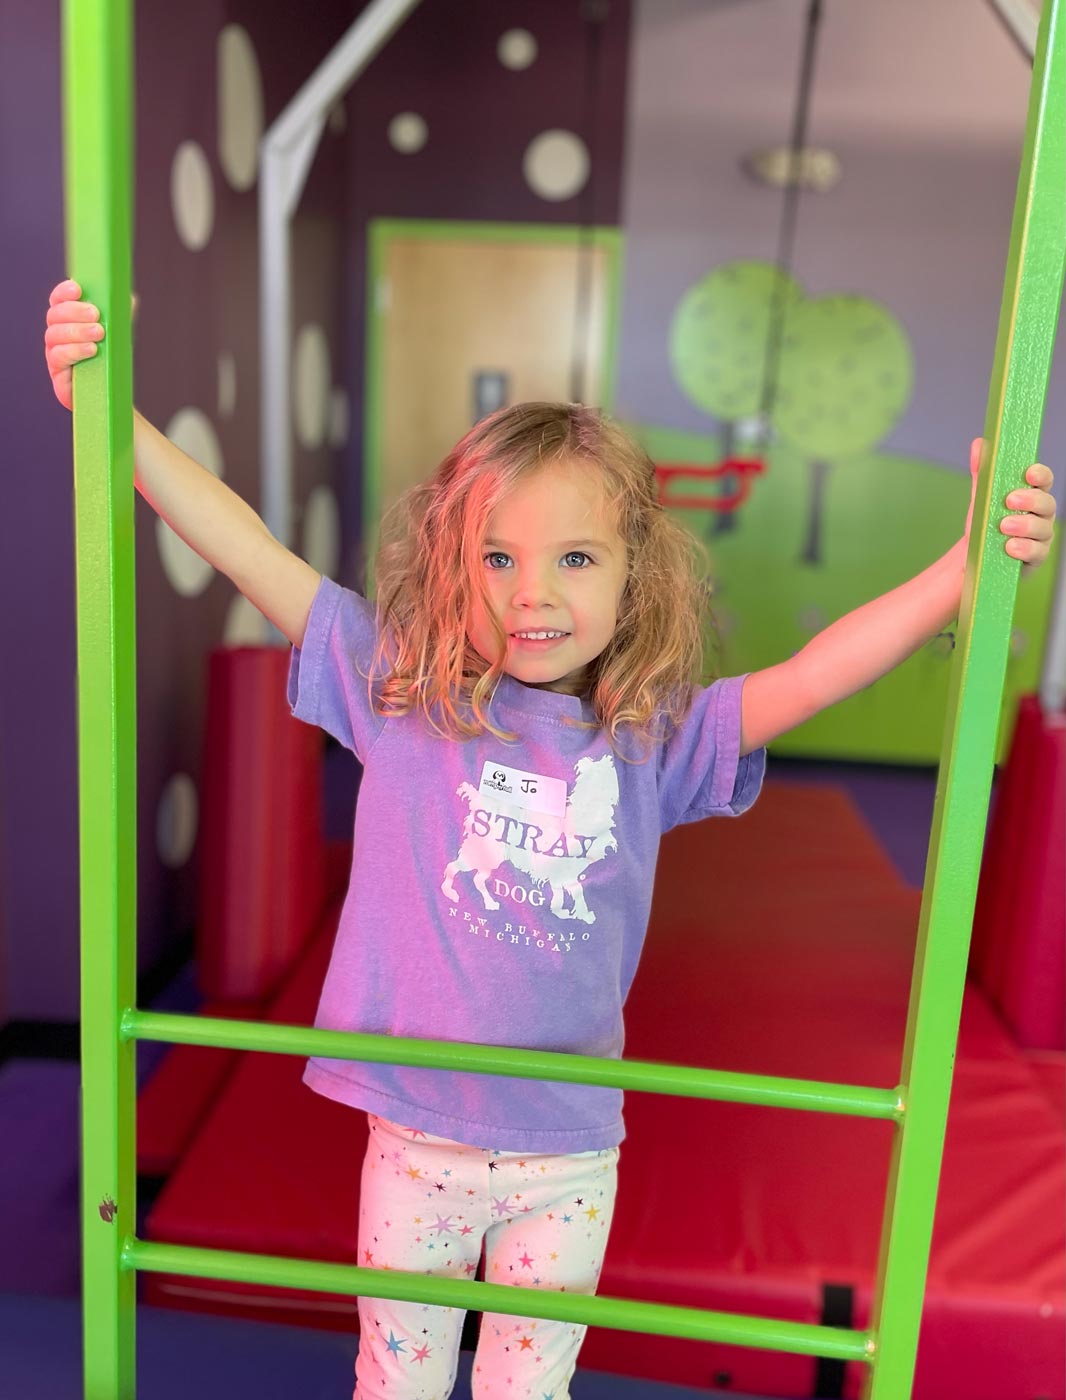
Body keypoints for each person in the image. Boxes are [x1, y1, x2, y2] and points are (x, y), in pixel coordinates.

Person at [45, 279, 1056, 1399]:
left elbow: (812, 673)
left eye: (575, 559)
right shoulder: (400, 695)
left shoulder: (652, 740)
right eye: (497, 559)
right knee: (396, 1375)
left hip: (566, 1153)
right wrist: (115, 416)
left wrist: (960, 573)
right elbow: (248, 549)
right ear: (452, 570)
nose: (534, 594)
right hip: (417, 1139)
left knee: (528, 1386)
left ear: (633, 581)